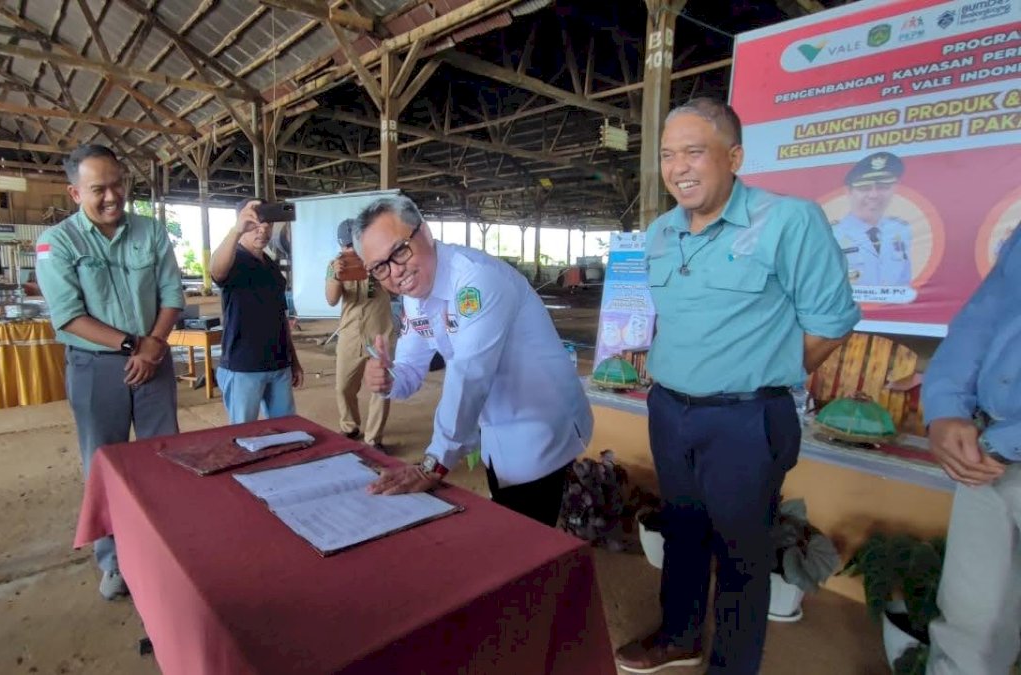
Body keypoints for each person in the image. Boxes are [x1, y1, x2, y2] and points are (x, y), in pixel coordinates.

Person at [613, 98, 859, 675]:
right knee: (683, 530)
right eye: (669, 156)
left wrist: (758, 368)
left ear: (735, 156)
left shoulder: (788, 221)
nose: (679, 168)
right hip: (670, 410)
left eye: (695, 152)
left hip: (747, 420)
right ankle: (679, 637)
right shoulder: (659, 232)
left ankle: (731, 666)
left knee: (742, 555)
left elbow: (831, 321)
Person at [356, 195, 593, 527]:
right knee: (507, 519)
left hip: (539, 427)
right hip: (494, 429)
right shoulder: (415, 296)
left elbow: (469, 377)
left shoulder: (476, 281)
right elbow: (411, 366)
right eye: (380, 267)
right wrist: (389, 379)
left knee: (525, 539)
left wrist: (433, 464)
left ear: (425, 232)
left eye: (399, 251)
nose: (396, 272)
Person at [36, 144, 185, 600]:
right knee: (107, 467)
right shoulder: (56, 242)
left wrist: (153, 346)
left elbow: (172, 295)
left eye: (118, 184)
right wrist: (132, 345)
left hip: (154, 361)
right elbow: (68, 315)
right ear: (74, 192)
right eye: (98, 189)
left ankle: (169, 549)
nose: (111, 196)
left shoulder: (151, 232)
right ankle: (114, 562)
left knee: (166, 459)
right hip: (96, 368)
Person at [921, 227, 1021, 675]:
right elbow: (982, 320)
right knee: (968, 627)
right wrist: (944, 406)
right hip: (986, 454)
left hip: (997, 445)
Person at [209, 198, 303, 424]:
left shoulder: (271, 268)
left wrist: (293, 360)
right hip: (244, 367)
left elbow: (280, 317)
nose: (263, 230)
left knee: (286, 431)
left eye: (267, 224)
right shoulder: (234, 259)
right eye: (255, 224)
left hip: (278, 365)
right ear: (241, 224)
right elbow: (216, 270)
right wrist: (236, 231)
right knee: (243, 436)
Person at [326, 219, 394, 451]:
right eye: (346, 247)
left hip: (380, 333)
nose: (351, 251)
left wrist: (377, 270)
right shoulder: (334, 264)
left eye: (354, 245)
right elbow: (332, 299)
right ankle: (350, 426)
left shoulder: (381, 260)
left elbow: (394, 289)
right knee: (343, 386)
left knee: (380, 388)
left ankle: (374, 439)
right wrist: (337, 276)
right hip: (350, 334)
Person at [832, 151, 912, 287]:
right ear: (849, 192)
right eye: (864, 188)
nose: (874, 195)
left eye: (883, 187)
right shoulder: (831, 234)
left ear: (894, 189)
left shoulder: (902, 229)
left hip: (895, 306)